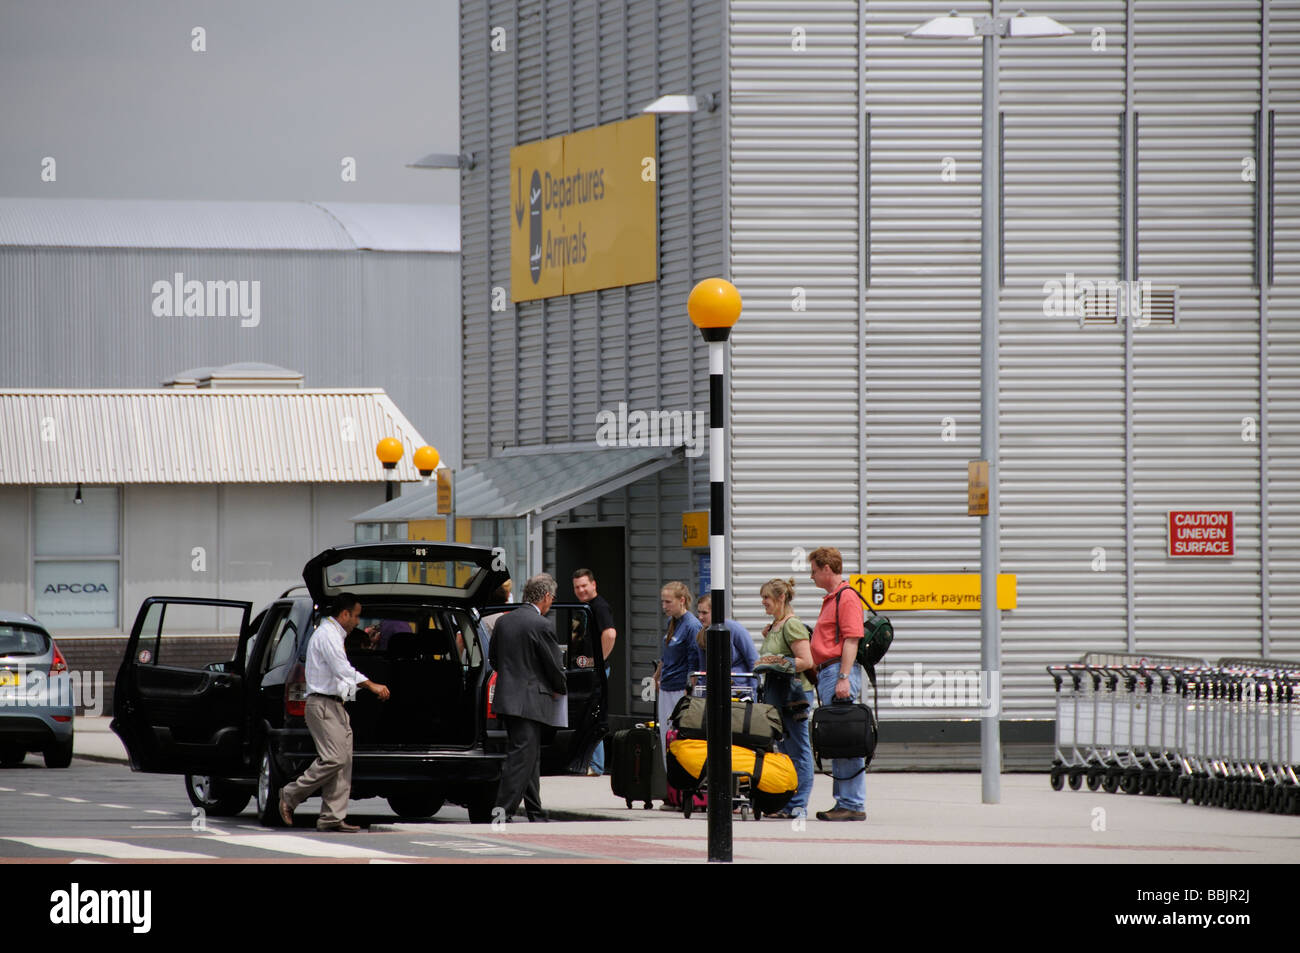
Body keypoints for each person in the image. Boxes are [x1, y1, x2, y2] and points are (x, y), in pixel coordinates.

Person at [278, 592, 391, 832]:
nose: (358, 622)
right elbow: (342, 669)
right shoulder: (328, 635)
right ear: (345, 614)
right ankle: (290, 794)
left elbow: (337, 675)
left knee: (344, 762)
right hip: (322, 705)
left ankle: (331, 818)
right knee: (335, 759)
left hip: (335, 705)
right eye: (356, 616)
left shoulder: (334, 635)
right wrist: (372, 685)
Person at [489, 573, 567, 822]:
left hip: (507, 698)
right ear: (545, 597)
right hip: (531, 700)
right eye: (552, 599)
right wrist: (560, 687)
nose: (551, 603)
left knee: (529, 756)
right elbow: (554, 665)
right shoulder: (541, 625)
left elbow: (493, 659)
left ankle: (535, 810)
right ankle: (502, 811)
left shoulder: (504, 622)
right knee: (520, 758)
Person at [808, 547, 867, 821]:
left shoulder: (847, 597)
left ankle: (852, 804)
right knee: (838, 738)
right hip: (829, 673)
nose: (812, 576)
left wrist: (843, 677)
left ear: (827, 569)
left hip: (839, 673)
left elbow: (852, 639)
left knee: (846, 738)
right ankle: (844, 801)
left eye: (814, 570)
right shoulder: (832, 598)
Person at [755, 578, 816, 819]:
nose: (763, 603)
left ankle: (798, 805)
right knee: (785, 750)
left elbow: (807, 661)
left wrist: (776, 662)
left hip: (793, 695)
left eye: (767, 598)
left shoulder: (792, 625)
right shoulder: (775, 625)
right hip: (776, 693)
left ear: (781, 598)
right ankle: (787, 802)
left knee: (799, 749)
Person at [652, 581, 700, 773]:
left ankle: (681, 787)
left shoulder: (692, 625)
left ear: (682, 601)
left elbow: (693, 663)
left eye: (668, 602)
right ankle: (670, 786)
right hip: (666, 686)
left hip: (680, 688)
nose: (664, 606)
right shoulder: (672, 622)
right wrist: (656, 675)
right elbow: (666, 654)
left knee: (679, 738)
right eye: (662, 602)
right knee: (666, 737)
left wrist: (690, 693)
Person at [572, 568, 617, 776]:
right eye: (577, 587)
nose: (581, 590)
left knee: (595, 716)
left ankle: (596, 765)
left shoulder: (599, 607)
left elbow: (610, 634)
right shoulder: (585, 607)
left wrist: (598, 661)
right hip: (586, 670)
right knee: (588, 715)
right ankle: (588, 762)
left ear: (594, 584)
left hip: (596, 672)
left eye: (584, 585)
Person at [693, 593, 758, 679]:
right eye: (699, 612)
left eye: (704, 613)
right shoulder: (702, 634)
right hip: (715, 686)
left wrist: (755, 689)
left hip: (738, 687)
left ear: (716, 612)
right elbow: (703, 669)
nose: (700, 617)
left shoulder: (734, 628)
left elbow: (753, 660)